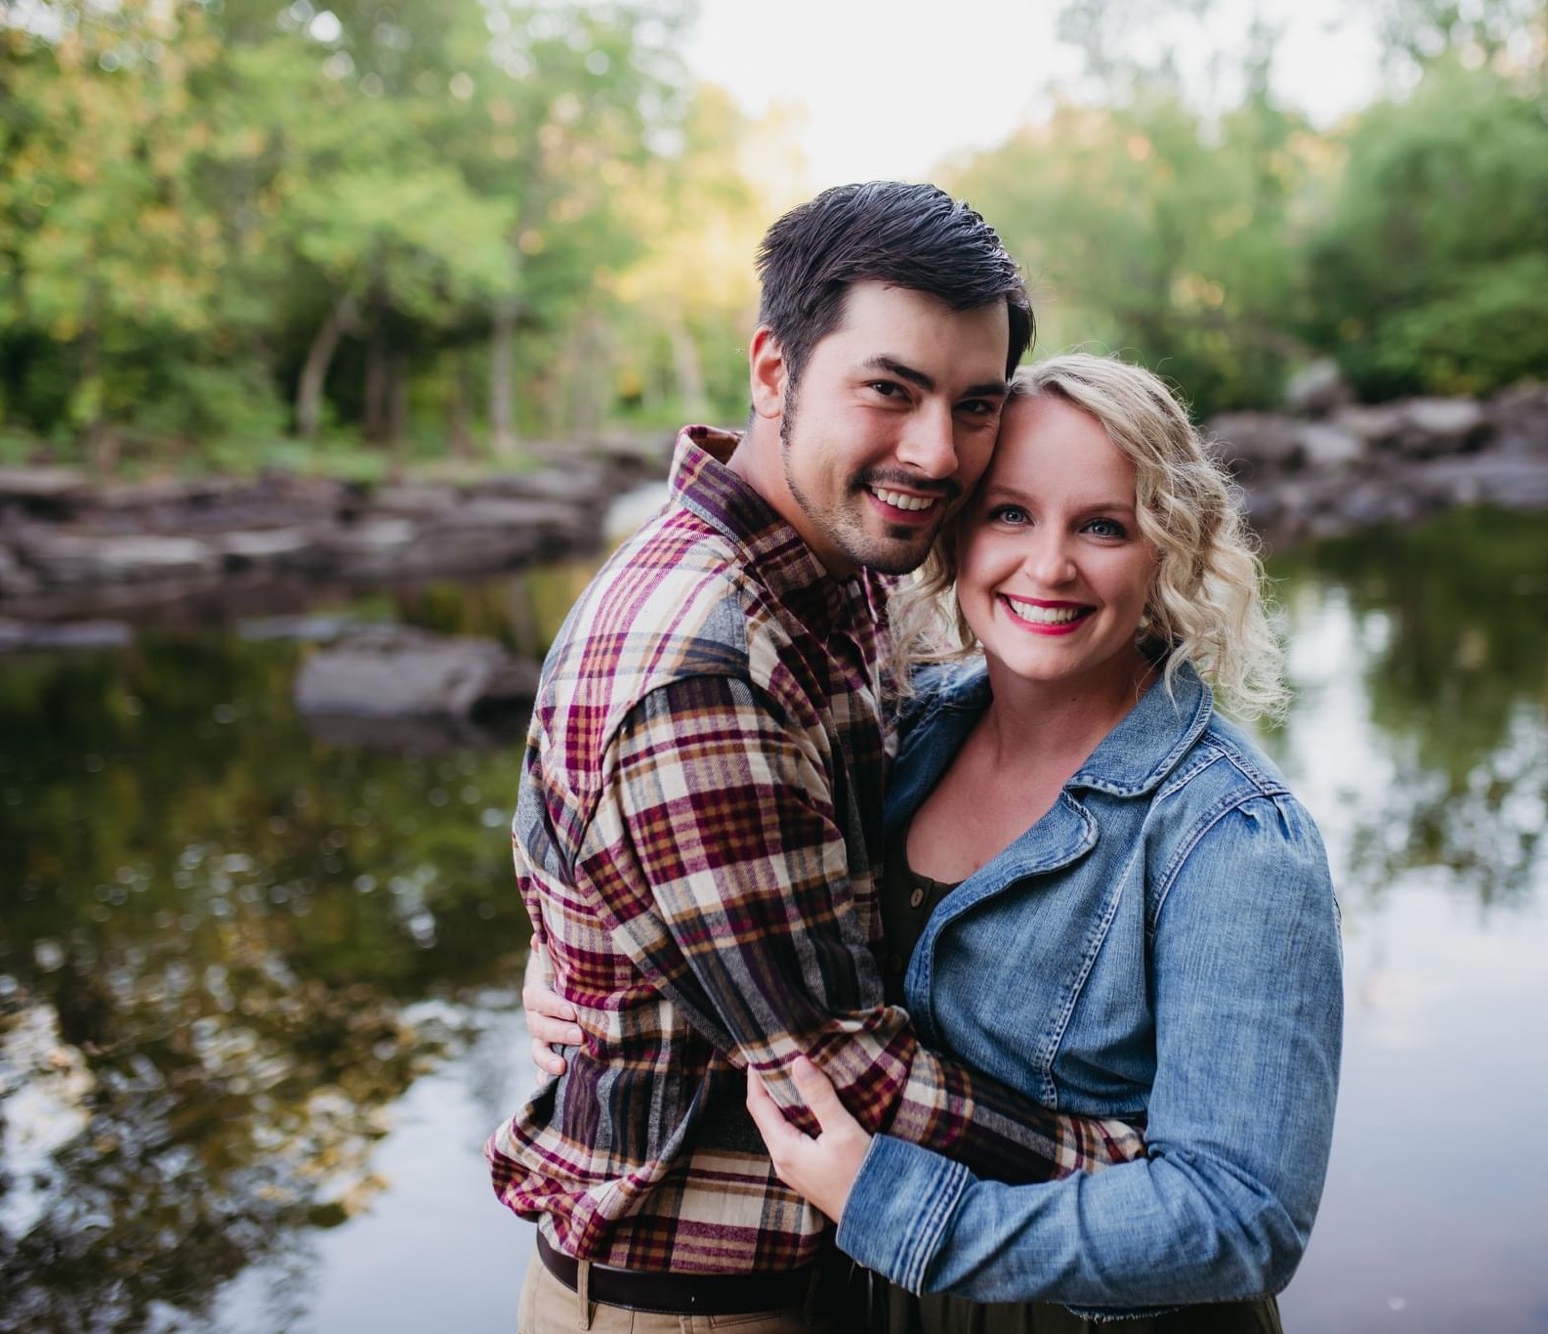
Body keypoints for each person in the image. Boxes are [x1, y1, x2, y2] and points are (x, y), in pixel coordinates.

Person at [530, 355, 1345, 1329]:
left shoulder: (1232, 838)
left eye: (1102, 525)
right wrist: (585, 970)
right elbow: (732, 893)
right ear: (952, 530)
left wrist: (897, 1208)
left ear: (1165, 549)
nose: (1049, 566)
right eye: (1009, 513)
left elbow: (1244, 1222)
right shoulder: (905, 731)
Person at [488, 184, 1147, 1334]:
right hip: (699, 1305)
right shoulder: (701, 668)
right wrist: (1132, 1170)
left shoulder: (826, 576)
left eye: (973, 405)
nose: (936, 451)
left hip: (832, 1271)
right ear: (772, 370)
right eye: (889, 389)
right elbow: (838, 1068)